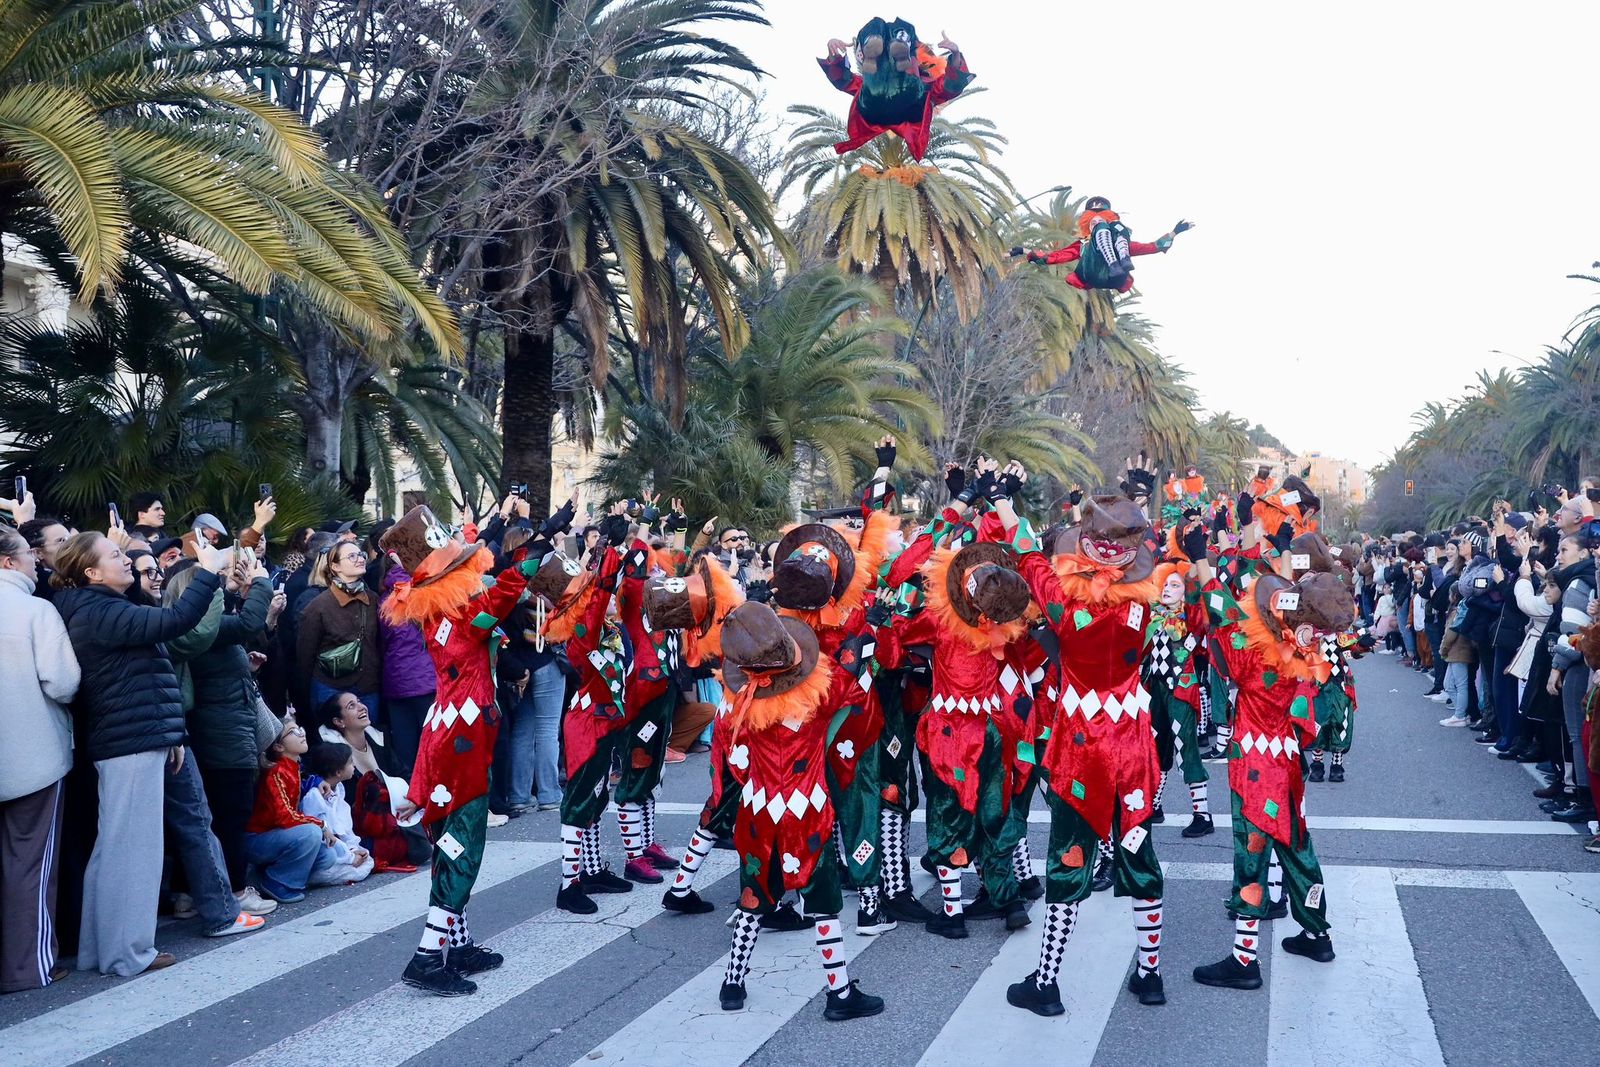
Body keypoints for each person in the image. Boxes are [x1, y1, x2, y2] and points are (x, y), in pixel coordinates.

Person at [379, 505, 550, 996]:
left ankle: (459, 941)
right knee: (462, 843)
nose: (472, 573)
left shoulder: (449, 610)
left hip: (464, 732)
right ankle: (428, 956)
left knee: (455, 840)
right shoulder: (449, 616)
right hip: (458, 739)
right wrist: (518, 575)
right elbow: (483, 620)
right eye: (460, 568)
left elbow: (484, 620)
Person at [52, 529, 229, 975]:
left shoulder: (98, 606)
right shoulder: (99, 611)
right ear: (91, 572)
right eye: (116, 555)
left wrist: (169, 734)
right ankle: (127, 954)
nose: (127, 560)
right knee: (133, 851)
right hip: (130, 742)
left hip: (132, 739)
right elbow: (174, 622)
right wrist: (207, 572)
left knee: (115, 848)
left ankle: (102, 950)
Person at [714, 602, 885, 1020]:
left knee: (753, 895)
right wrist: (863, 645)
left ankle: (733, 983)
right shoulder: (820, 695)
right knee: (824, 903)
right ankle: (839, 992)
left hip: (758, 809)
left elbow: (734, 762)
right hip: (808, 810)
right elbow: (860, 704)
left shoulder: (737, 705)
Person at [0, 527, 80, 992]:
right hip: (31, 756)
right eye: (28, 554)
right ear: (8, 563)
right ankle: (27, 966)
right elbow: (63, 682)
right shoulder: (35, 610)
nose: (36, 561)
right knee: (31, 862)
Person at [183, 549, 281, 917]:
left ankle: (193, 892)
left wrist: (246, 671)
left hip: (223, 729)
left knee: (215, 816)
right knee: (231, 817)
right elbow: (249, 623)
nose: (223, 583)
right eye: (215, 579)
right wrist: (259, 580)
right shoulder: (203, 626)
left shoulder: (203, 627)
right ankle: (237, 890)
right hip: (224, 736)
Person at [245, 715, 334, 902]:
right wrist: (322, 824)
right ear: (278, 746)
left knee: (328, 857)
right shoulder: (276, 771)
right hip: (258, 839)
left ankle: (265, 874)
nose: (301, 734)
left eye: (300, 728)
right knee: (311, 834)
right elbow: (285, 817)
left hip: (278, 837)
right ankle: (278, 883)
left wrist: (315, 782)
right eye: (293, 732)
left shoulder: (293, 766)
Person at [296, 538, 382, 717]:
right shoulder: (317, 607)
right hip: (330, 690)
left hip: (369, 688)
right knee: (335, 744)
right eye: (351, 556)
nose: (360, 559)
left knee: (369, 742)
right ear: (335, 566)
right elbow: (305, 658)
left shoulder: (374, 600)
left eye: (361, 554)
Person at [378, 549, 434, 777]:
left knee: (405, 748)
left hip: (395, 682)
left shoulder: (382, 602)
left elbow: (381, 642)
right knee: (432, 745)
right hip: (426, 679)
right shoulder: (425, 593)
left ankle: (410, 801)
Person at [300, 744, 375, 886]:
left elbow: (346, 831)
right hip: (326, 853)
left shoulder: (339, 790)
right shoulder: (314, 796)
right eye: (350, 762)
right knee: (354, 869)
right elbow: (324, 838)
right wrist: (350, 857)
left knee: (368, 860)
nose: (353, 766)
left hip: (342, 852)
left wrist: (354, 849)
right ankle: (314, 877)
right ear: (338, 772)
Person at [18, 517, 70, 602]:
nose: (71, 545)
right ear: (38, 553)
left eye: (70, 539)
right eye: (61, 541)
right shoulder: (41, 588)